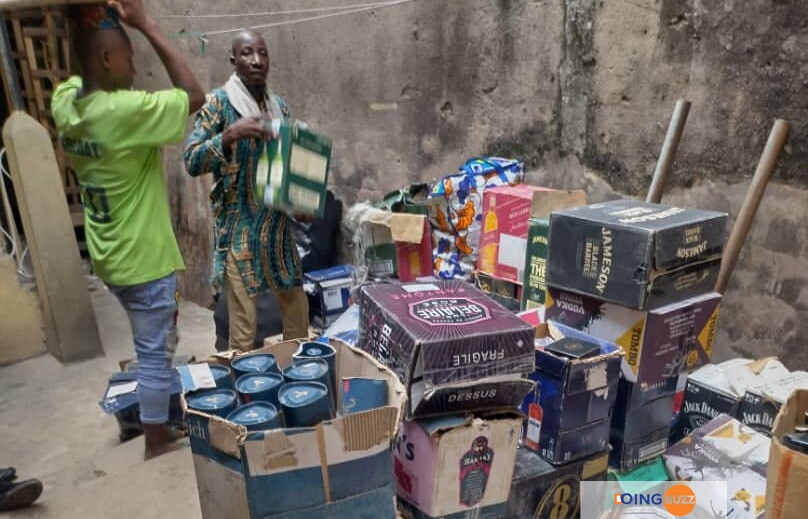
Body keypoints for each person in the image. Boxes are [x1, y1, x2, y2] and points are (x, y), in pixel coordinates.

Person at [52, 0, 204, 460]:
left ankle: (157, 418)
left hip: (109, 256)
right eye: (128, 55)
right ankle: (157, 438)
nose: (135, 64)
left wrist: (90, 18)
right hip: (143, 258)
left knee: (156, 338)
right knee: (156, 350)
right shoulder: (122, 112)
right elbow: (194, 95)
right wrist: (146, 25)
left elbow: (76, 73)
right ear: (105, 59)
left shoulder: (66, 105)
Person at [184, 30, 309, 352]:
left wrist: (303, 201)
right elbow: (192, 160)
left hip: (278, 229)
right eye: (247, 53)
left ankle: (300, 385)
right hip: (239, 231)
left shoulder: (278, 106)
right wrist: (229, 135)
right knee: (243, 329)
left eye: (262, 53)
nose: (256, 60)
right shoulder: (218, 104)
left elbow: (291, 164)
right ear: (234, 60)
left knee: (297, 317)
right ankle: (246, 392)